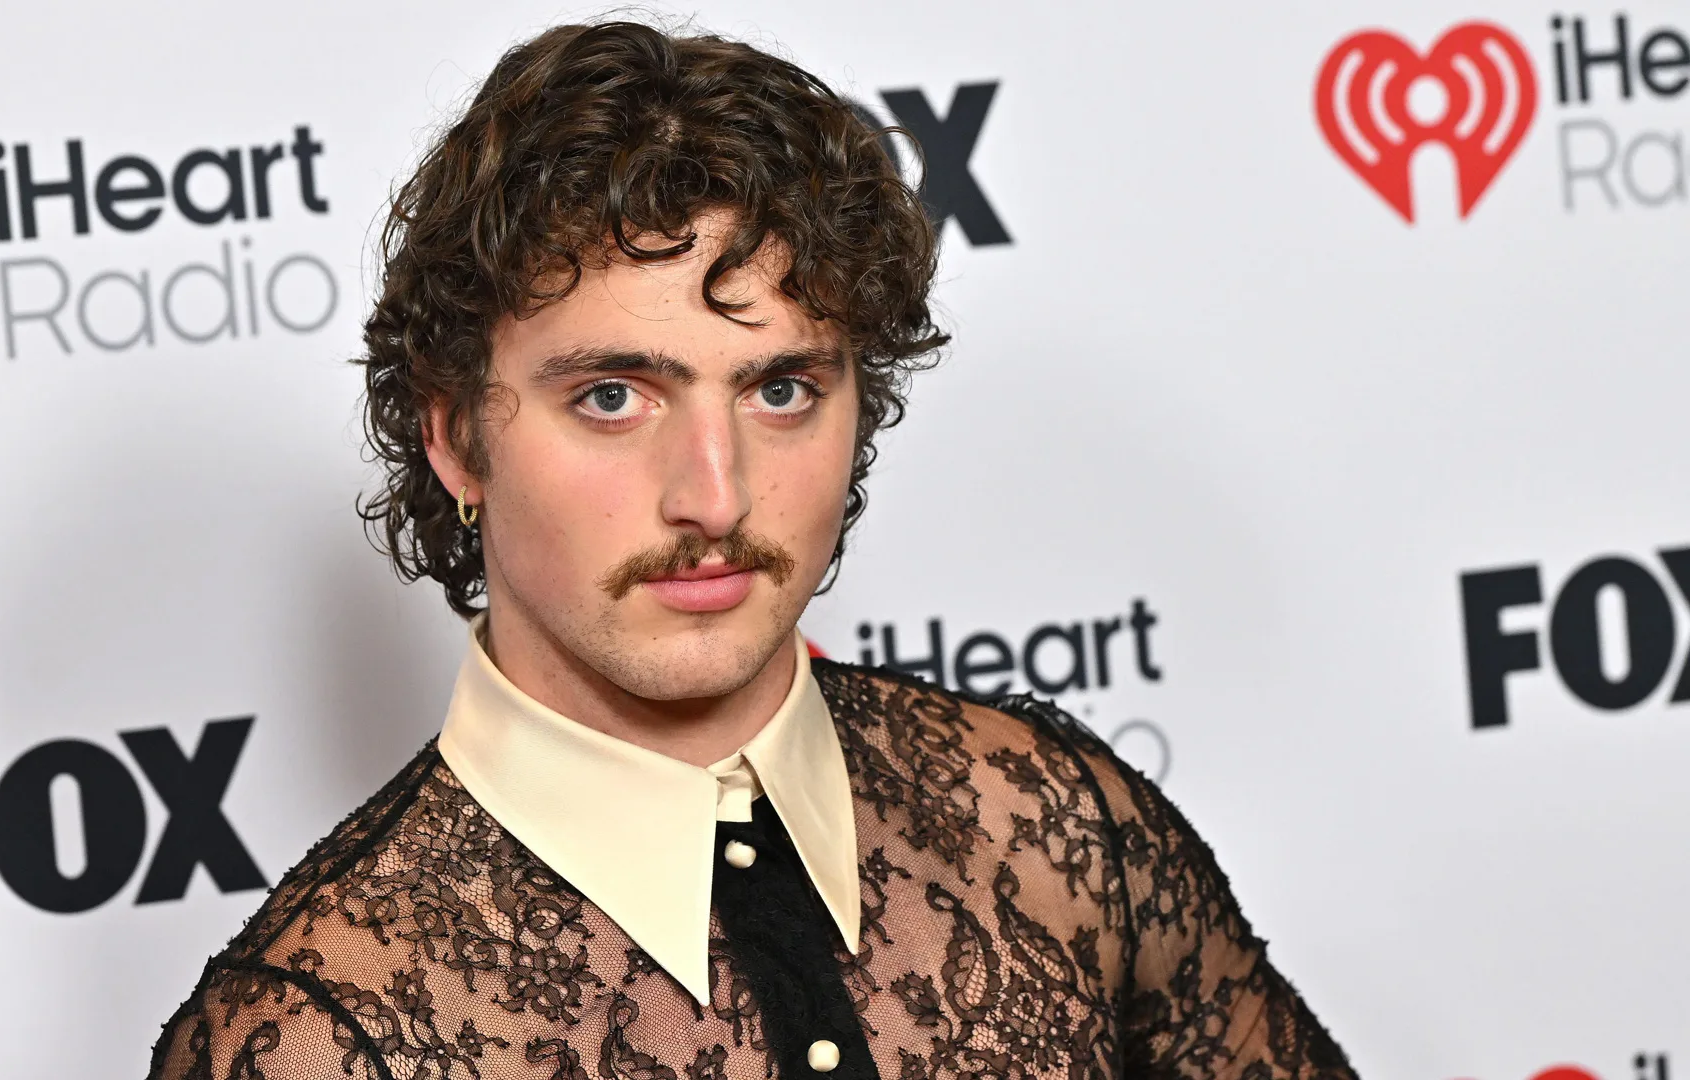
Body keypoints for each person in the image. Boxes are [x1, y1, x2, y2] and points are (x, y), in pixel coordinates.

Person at [146, 21, 1355, 1080]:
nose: (714, 497)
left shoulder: (1053, 823)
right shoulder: (319, 1035)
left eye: (780, 388)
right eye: (615, 397)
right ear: (459, 438)